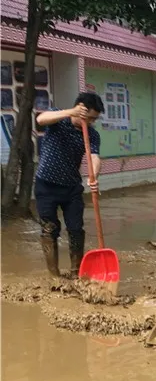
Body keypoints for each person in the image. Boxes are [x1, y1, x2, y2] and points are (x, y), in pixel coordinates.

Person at [35, 92, 103, 277]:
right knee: (49, 229)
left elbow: (95, 157)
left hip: (72, 188)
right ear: (80, 108)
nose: (90, 122)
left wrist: (94, 176)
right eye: (89, 118)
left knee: (75, 229)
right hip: (46, 186)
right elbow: (41, 119)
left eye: (94, 119)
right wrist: (70, 112)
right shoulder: (58, 118)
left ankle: (75, 274)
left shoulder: (92, 134)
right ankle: (54, 276)